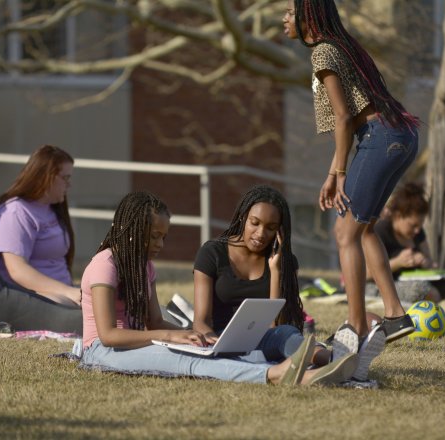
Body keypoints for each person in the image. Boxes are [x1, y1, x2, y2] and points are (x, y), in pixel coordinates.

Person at [79, 190, 358, 385]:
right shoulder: (106, 264)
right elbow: (108, 335)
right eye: (154, 237)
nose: (160, 245)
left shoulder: (144, 266)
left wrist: (193, 336)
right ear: (132, 230)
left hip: (134, 345)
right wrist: (169, 336)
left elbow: (153, 320)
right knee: (183, 361)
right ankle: (274, 375)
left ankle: (315, 364)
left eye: (163, 237)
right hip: (101, 353)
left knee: (199, 351)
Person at [284, 0, 420, 361]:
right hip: (400, 136)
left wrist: (341, 174)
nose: (284, 18)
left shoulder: (322, 52)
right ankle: (394, 314)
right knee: (365, 227)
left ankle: (356, 326)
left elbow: (344, 119)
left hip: (379, 137)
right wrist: (334, 172)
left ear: (306, 17)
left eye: (288, 12)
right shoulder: (343, 46)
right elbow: (349, 123)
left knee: (344, 233)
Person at [193, 185, 337, 369]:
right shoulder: (212, 252)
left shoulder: (284, 262)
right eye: (255, 222)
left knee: (286, 335)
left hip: (264, 341)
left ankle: (335, 362)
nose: (261, 234)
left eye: (271, 227)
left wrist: (276, 271)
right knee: (260, 355)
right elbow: (201, 322)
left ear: (280, 231)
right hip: (218, 342)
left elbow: (277, 326)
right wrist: (215, 342)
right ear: (243, 217)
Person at [0, 145, 81, 307]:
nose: (69, 185)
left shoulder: (52, 207)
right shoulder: (15, 212)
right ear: (46, 177)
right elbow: (18, 271)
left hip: (62, 293)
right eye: (65, 178)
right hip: (25, 297)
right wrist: (68, 292)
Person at [365, 182, 442, 304]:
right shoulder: (380, 231)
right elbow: (366, 273)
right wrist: (399, 262)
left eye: (420, 226)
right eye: (413, 225)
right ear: (398, 216)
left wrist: (426, 263)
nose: (417, 230)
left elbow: (429, 260)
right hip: (379, 286)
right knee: (421, 289)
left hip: (413, 282)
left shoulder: (418, 234)